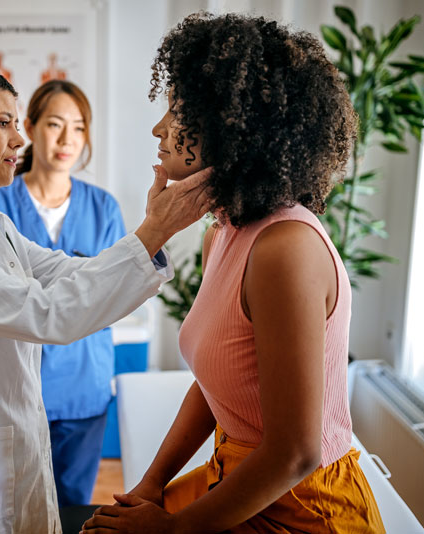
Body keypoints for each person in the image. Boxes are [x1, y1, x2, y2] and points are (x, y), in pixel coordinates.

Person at [0, 64, 211, 534]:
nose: (19, 140)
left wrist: (153, 234)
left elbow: (69, 273)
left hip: (12, 450)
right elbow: (47, 313)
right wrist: (156, 229)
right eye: (4, 123)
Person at [82, 13, 385, 534]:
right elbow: (221, 382)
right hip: (238, 472)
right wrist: (151, 482)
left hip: (302, 505)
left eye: (177, 111)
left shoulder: (285, 249)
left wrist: (169, 529)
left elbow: (295, 454)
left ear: (230, 126)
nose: (159, 128)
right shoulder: (222, 230)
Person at [0, 80, 124, 508]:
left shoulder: (104, 208)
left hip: (84, 385)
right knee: (12, 503)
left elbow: (116, 295)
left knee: (71, 503)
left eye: (79, 127)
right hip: (14, 386)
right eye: (54, 124)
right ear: (29, 126)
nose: (68, 139)